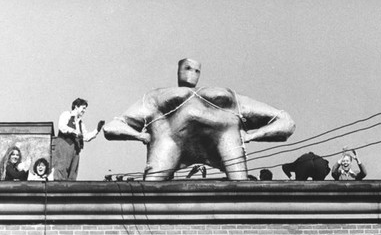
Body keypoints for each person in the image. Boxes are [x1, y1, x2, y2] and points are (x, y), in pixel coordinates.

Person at [103, 59, 295, 181]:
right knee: (150, 191)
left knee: (240, 190)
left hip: (225, 138)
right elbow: (111, 127)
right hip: (169, 140)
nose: (191, 72)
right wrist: (141, 136)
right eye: (187, 68)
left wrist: (251, 135)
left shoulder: (231, 98)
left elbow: (286, 123)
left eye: (195, 69)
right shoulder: (156, 97)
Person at [53, 98, 105, 181]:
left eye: (85, 109)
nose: (84, 111)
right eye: (83, 108)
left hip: (76, 149)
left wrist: (97, 130)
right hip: (65, 144)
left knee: (73, 173)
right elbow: (62, 126)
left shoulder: (81, 123)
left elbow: (86, 137)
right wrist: (74, 132)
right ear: (76, 107)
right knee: (61, 170)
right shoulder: (67, 114)